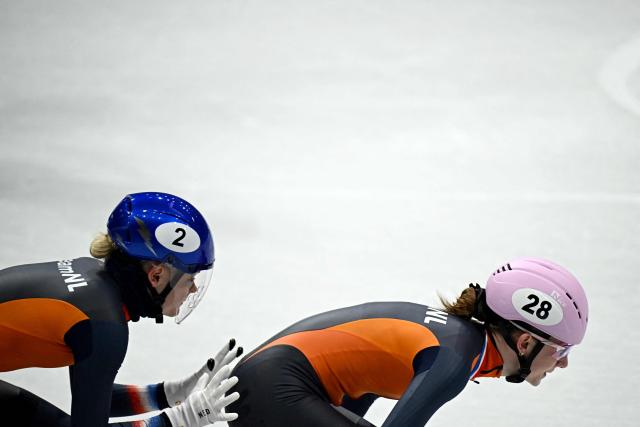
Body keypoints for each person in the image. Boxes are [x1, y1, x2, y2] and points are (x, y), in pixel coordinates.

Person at [227, 257, 589, 427]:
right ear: (525, 343)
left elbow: (361, 381)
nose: (564, 363)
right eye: (562, 350)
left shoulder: (461, 341)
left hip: (272, 383)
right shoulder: (455, 359)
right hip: (274, 386)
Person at [0, 192, 242, 427]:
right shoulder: (103, 324)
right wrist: (183, 419)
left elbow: (94, 394)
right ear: (157, 275)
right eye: (190, 279)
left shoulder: (93, 284)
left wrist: (170, 394)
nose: (192, 290)